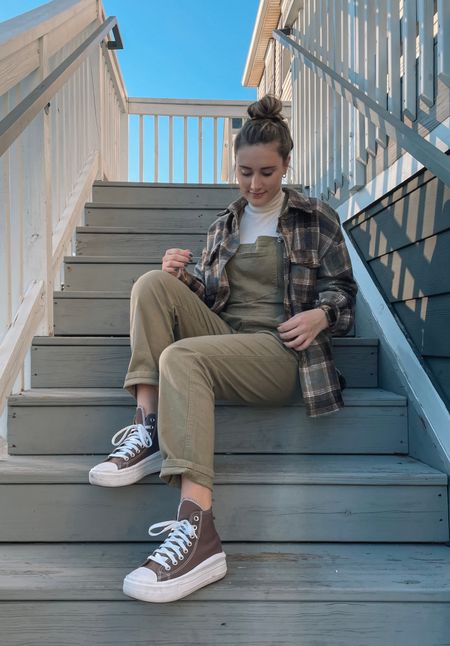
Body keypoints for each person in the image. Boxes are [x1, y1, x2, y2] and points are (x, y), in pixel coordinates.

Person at [88, 95, 357, 604]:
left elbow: (343, 290)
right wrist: (180, 277)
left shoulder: (315, 217)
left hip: (280, 352)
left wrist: (322, 314)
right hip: (227, 336)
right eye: (245, 172)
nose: (255, 185)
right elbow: (213, 298)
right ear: (233, 167)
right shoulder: (223, 226)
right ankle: (147, 426)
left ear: (286, 165)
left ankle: (200, 532)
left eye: (267, 172)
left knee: (182, 358)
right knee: (150, 283)